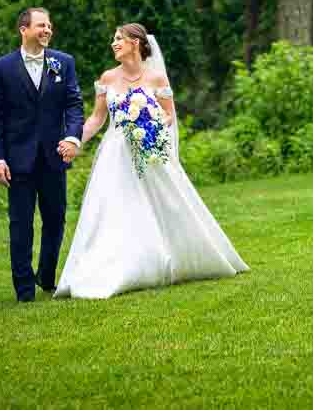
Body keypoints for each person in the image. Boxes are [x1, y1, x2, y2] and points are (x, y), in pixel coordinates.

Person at [54, 23, 248, 299]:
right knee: (116, 206)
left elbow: (169, 115)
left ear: (136, 42)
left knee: (168, 203)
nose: (114, 43)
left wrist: (151, 123)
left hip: (150, 150)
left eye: (119, 38)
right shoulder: (107, 78)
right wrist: (75, 140)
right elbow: (97, 118)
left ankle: (178, 257)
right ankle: (119, 265)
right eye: (114, 39)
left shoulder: (157, 79)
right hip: (116, 154)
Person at [0, 8, 84, 303]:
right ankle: (24, 289)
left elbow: (74, 105)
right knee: (21, 223)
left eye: (50, 26)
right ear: (24, 29)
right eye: (41, 25)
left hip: (55, 157)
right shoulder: (1, 68)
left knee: (55, 220)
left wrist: (71, 137)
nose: (47, 30)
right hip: (17, 160)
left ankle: (46, 275)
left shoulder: (63, 63)